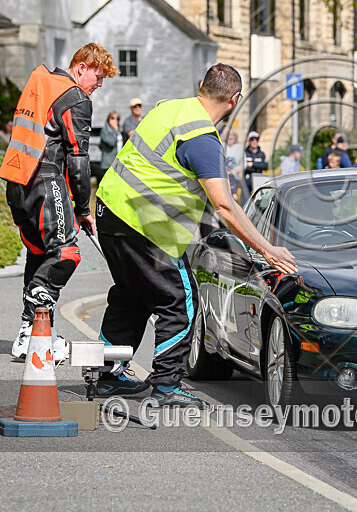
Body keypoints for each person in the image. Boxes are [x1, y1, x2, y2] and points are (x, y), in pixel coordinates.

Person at [94, 63, 297, 406]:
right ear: (234, 100)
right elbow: (225, 206)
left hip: (110, 212)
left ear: (201, 85)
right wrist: (267, 248)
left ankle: (109, 376)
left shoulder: (168, 109)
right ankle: (167, 385)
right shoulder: (202, 138)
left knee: (131, 296)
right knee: (181, 300)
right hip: (143, 227)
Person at [0, 43, 119, 361]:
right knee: (66, 252)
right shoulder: (75, 96)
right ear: (81, 67)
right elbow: (79, 160)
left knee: (40, 254)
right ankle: (35, 322)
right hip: (44, 180)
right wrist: (82, 209)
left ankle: (35, 334)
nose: (100, 84)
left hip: (16, 180)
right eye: (99, 75)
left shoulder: (40, 82)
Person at [98, 110, 122, 181]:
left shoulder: (120, 130)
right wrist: (115, 130)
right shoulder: (104, 131)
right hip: (108, 165)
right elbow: (111, 142)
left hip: (118, 164)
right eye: (112, 118)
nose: (115, 121)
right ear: (108, 119)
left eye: (117, 119)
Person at [223, 129, 244, 198]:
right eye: (228, 135)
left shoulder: (239, 147)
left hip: (236, 177)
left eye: (232, 135)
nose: (230, 137)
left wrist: (241, 167)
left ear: (235, 137)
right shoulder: (222, 146)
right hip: (224, 176)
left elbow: (244, 162)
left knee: (236, 197)